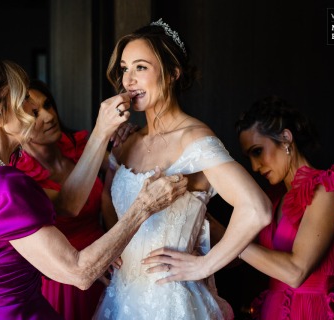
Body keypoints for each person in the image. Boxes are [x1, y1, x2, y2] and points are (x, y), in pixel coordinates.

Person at [0, 43, 188, 319]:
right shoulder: (0, 184)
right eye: (21, 99)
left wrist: (100, 131)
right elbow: (79, 272)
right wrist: (143, 207)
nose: (30, 108)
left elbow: (67, 204)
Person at [92, 19, 272, 320]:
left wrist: (204, 265)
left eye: (140, 67)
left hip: (171, 303)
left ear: (173, 73)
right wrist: (115, 249)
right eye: (124, 68)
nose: (128, 80)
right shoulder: (128, 142)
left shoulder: (195, 138)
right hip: (121, 299)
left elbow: (257, 209)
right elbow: (110, 201)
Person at [144, 95, 334, 320]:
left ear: (285, 138)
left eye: (257, 151)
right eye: (249, 157)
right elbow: (238, 258)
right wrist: (197, 217)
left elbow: (295, 272)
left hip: (310, 312)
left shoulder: (326, 190)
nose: (255, 166)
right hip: (273, 311)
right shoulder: (272, 199)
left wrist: (222, 250)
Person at [11, 79, 137, 320]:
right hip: (67, 276)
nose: (49, 116)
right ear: (18, 124)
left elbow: (123, 168)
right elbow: (67, 205)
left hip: (108, 257)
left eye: (48, 105)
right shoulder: (21, 177)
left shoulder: (77, 147)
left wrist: (127, 142)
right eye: (35, 113)